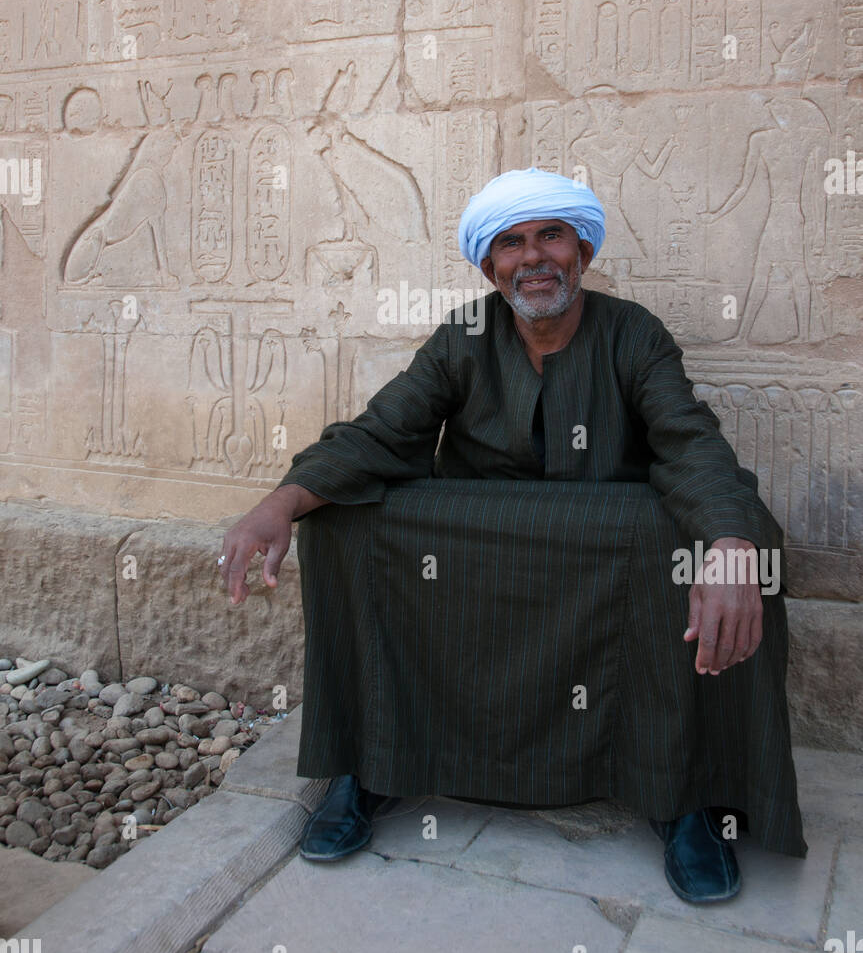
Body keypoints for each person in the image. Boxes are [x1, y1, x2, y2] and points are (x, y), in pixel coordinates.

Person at [219, 168, 806, 905]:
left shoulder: (632, 333)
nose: (532, 258)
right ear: (488, 265)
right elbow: (382, 430)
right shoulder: (463, 335)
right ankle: (368, 767)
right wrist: (278, 502)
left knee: (719, 541)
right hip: (479, 548)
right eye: (510, 243)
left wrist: (725, 545)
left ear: (581, 252)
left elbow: (689, 444)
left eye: (550, 236)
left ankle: (685, 798)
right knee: (337, 518)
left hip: (603, 552)